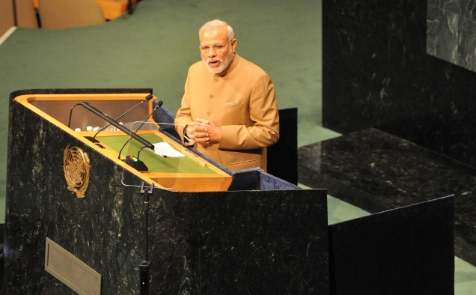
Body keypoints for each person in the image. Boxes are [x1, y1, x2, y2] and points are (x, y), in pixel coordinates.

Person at [175, 19, 279, 172]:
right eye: (205, 47)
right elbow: (183, 114)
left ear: (233, 45)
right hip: (196, 166)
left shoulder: (257, 78)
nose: (211, 54)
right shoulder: (194, 71)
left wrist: (221, 135)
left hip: (238, 175)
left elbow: (269, 132)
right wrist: (186, 130)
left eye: (218, 46)